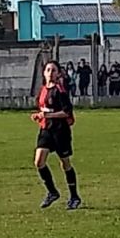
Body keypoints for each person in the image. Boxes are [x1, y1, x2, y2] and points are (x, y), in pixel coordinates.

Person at [32, 60, 81, 210]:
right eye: (48, 70)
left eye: (54, 70)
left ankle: (74, 196)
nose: (50, 73)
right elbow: (44, 109)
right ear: (44, 73)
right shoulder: (42, 90)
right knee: (39, 161)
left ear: (58, 73)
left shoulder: (60, 91)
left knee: (65, 163)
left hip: (61, 131)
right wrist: (39, 116)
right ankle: (52, 192)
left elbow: (66, 112)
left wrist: (47, 116)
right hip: (46, 130)